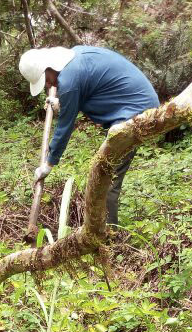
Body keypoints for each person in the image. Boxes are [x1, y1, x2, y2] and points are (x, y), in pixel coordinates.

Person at [19, 45, 160, 225]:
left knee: (106, 179)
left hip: (136, 113)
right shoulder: (75, 56)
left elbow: (65, 126)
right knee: (103, 173)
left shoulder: (69, 82)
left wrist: (49, 163)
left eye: (46, 80)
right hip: (138, 105)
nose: (48, 86)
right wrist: (63, 102)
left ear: (50, 68)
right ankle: (101, 231)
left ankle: (108, 239)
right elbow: (92, 88)